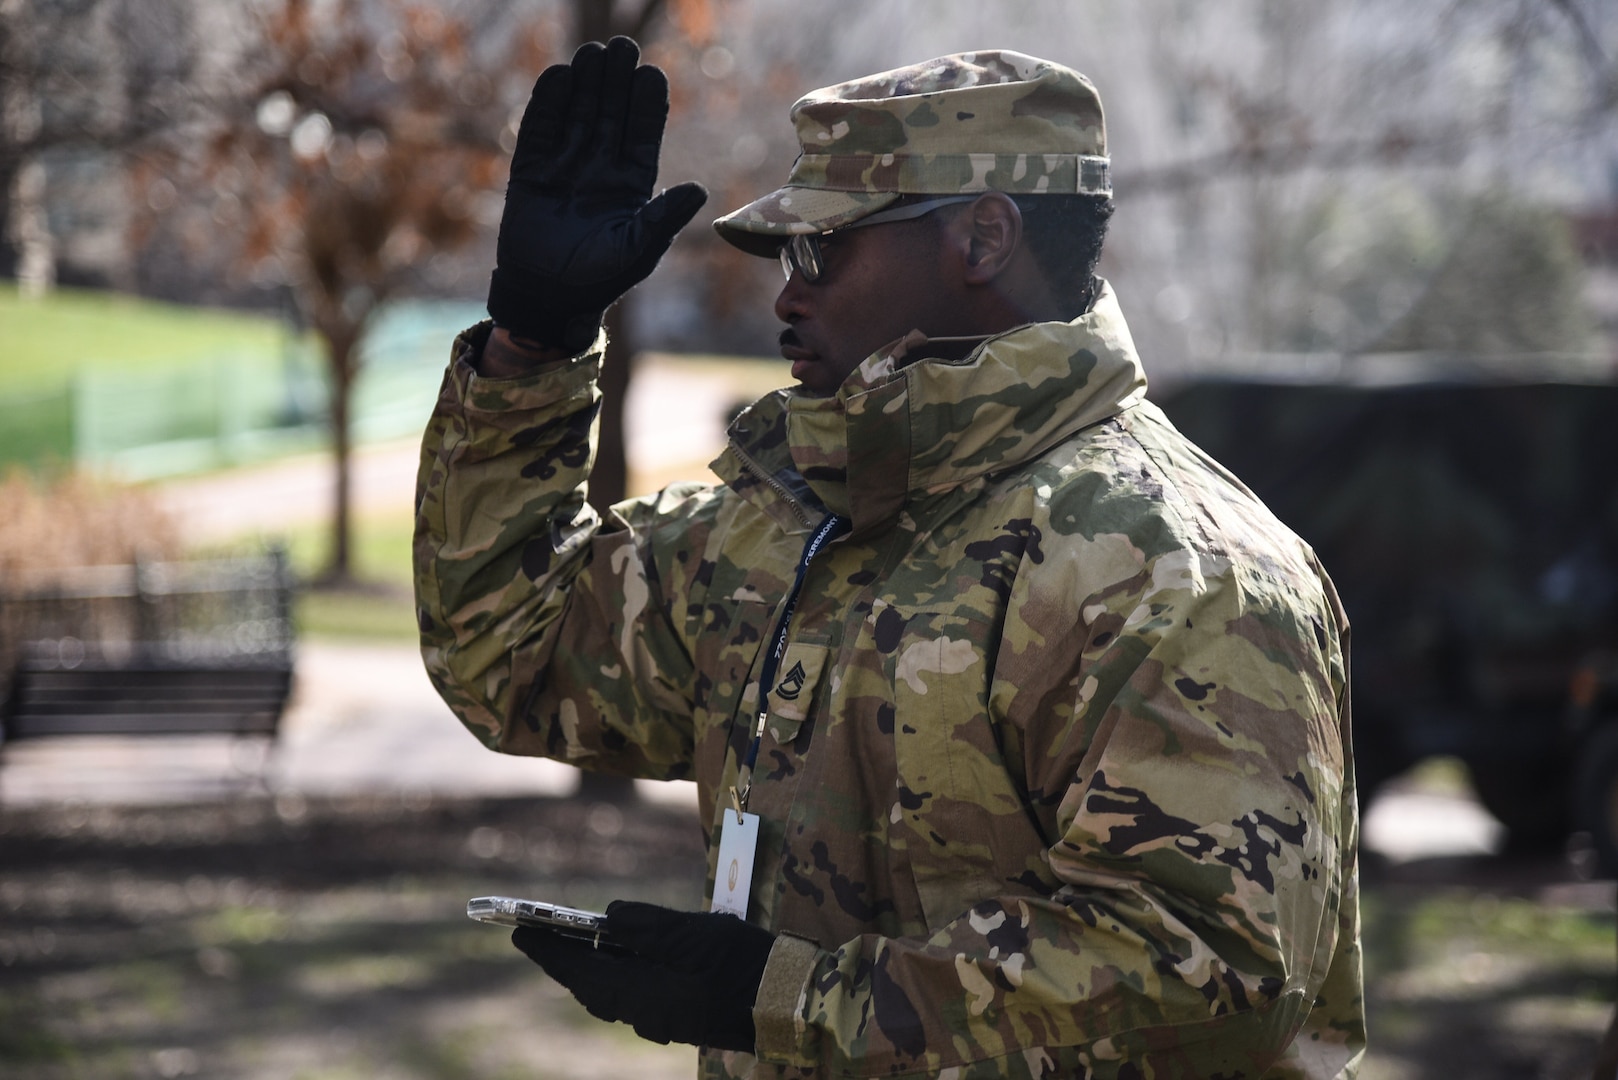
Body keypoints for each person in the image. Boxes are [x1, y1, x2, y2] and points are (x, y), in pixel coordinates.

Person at [414, 36, 1365, 1080]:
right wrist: (532, 349)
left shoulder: (1179, 570)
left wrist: (780, 997)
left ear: (982, 237)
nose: (786, 295)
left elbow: (1214, 975)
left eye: (822, 248)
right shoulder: (794, 524)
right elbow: (514, 652)